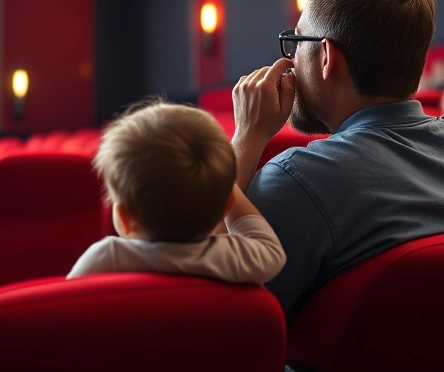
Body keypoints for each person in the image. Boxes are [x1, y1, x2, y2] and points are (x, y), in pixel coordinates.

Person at [231, 0, 444, 318]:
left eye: (297, 42)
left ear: (326, 56)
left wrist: (246, 137)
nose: (291, 61)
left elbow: (214, 316)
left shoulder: (299, 180)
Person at [68, 100, 286, 283]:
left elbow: (62, 308)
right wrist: (219, 182)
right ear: (227, 206)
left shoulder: (108, 259)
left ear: (125, 218)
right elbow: (271, 248)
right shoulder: (234, 257)